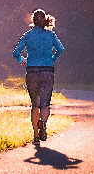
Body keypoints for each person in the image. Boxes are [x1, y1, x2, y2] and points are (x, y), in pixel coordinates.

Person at [13, 9, 64, 146]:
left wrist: (21, 60)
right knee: (45, 103)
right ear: (45, 20)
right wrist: (52, 59)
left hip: (32, 71)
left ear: (33, 20)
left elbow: (16, 52)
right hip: (47, 70)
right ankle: (43, 124)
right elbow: (60, 49)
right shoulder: (51, 35)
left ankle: (36, 136)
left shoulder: (28, 36)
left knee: (35, 104)